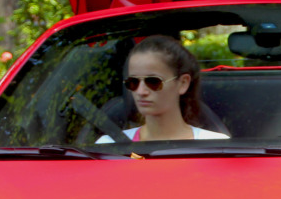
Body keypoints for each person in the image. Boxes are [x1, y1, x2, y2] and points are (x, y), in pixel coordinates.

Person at [96, 34, 229, 143]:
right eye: (133, 82)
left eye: (153, 82)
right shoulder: (109, 145)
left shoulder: (216, 145)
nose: (141, 92)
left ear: (183, 83)